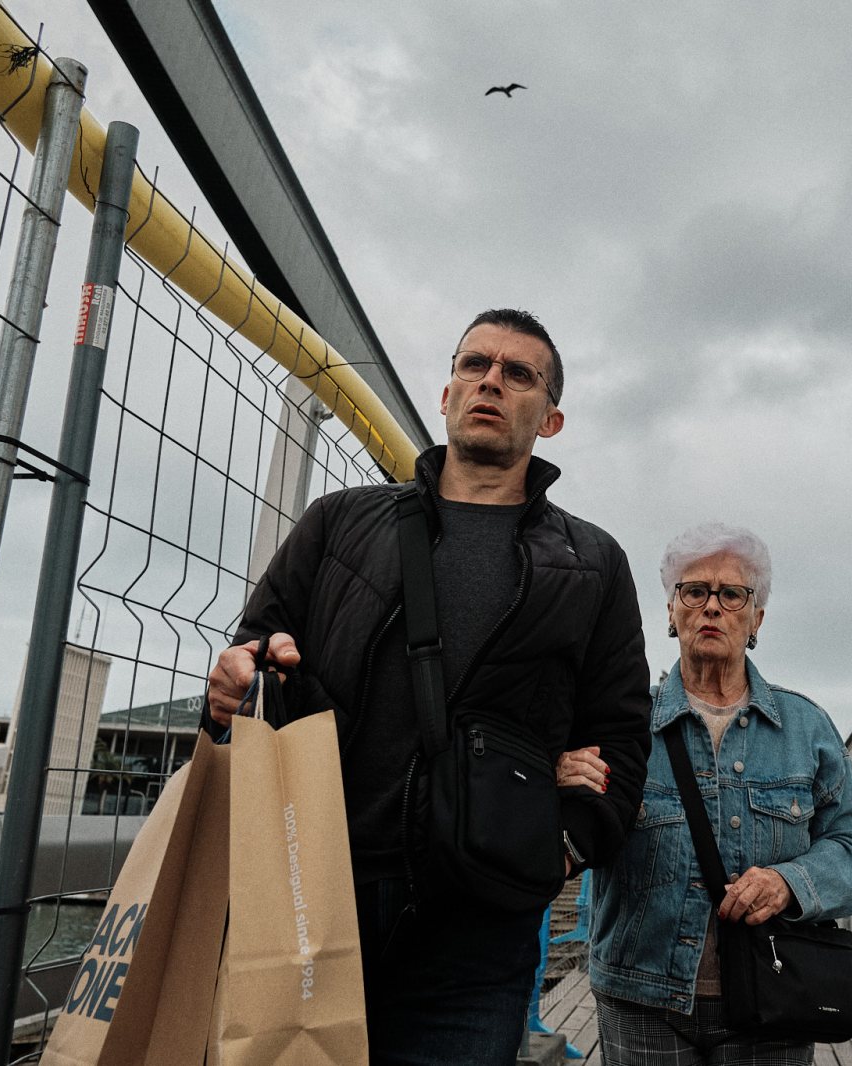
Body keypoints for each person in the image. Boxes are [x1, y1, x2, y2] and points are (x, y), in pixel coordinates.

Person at [203, 309, 652, 1065]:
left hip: (477, 928)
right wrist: (228, 688)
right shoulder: (338, 523)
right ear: (447, 391)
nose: (491, 382)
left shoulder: (593, 563)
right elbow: (253, 652)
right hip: (309, 895)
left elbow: (621, 733)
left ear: (551, 419)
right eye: (475, 365)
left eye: (519, 375)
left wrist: (566, 842)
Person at [556, 522, 852, 1065]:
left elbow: (851, 853)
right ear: (671, 612)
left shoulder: (808, 729)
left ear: (756, 619)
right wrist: (557, 774)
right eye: (694, 591)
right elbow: (572, 831)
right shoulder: (620, 720)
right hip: (641, 998)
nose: (712, 607)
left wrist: (788, 882)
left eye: (732, 594)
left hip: (774, 996)